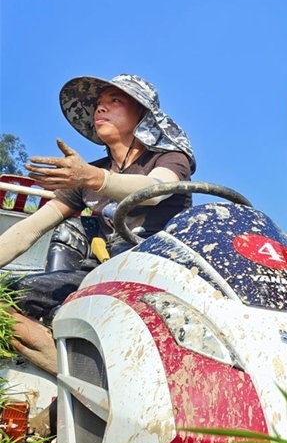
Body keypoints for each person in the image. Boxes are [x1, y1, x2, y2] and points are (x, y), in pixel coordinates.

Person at [0, 73, 195, 377]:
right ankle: (74, 373)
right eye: (98, 104)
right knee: (5, 296)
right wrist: (90, 177)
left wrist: (94, 179)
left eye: (114, 101)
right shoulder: (89, 173)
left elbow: (155, 191)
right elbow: (31, 228)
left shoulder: (169, 158)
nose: (100, 109)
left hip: (157, 274)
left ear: (142, 115)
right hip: (99, 274)